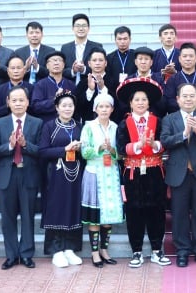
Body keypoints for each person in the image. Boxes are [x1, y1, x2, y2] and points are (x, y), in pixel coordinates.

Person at [116, 78, 172, 268]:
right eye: (137, 100)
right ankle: (137, 251)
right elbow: (120, 148)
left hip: (155, 172)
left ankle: (157, 250)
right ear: (130, 103)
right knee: (134, 212)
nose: (140, 103)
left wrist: (153, 144)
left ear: (149, 102)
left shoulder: (158, 121)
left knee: (156, 211)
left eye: (144, 99)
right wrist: (138, 146)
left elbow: (164, 142)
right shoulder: (124, 123)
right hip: (132, 174)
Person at [161, 83, 196, 268]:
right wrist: (184, 133)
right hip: (179, 173)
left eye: (192, 96)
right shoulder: (170, 119)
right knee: (179, 214)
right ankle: (182, 251)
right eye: (184, 96)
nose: (188, 99)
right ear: (178, 99)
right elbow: (165, 141)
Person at [0, 84, 44, 269]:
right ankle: (11, 255)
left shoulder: (37, 123)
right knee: (8, 218)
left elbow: (41, 151)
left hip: (28, 174)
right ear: (8, 102)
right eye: (14, 100)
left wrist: (26, 144)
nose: (18, 103)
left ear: (28, 102)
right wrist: (10, 146)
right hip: (7, 175)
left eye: (22, 100)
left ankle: (27, 254)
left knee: (28, 216)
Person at [38, 93, 85, 268]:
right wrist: (64, 149)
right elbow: (42, 152)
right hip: (55, 174)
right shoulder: (49, 126)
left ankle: (70, 248)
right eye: (63, 105)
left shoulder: (80, 126)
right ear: (57, 108)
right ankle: (56, 249)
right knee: (56, 209)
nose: (67, 108)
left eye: (70, 105)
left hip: (76, 173)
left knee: (73, 208)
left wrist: (81, 148)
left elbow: (86, 150)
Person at [80, 92, 124, 268]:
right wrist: (99, 148)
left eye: (107, 106)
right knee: (95, 217)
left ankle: (104, 250)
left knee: (108, 215)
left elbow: (121, 154)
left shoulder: (116, 127)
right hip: (94, 172)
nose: (104, 109)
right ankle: (94, 252)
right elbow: (84, 152)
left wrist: (112, 150)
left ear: (112, 109)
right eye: (101, 106)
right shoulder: (89, 127)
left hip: (111, 172)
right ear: (95, 108)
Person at [162, 43, 196, 115]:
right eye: (184, 56)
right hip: (178, 117)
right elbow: (169, 101)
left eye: (191, 56)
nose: (188, 59)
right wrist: (185, 103)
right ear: (180, 59)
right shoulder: (172, 79)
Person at [31, 51, 78, 123]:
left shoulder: (71, 85)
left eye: (59, 60)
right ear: (47, 66)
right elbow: (36, 107)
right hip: (46, 125)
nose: (56, 63)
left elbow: (76, 108)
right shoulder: (40, 84)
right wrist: (54, 100)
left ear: (63, 65)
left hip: (67, 125)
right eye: (53, 61)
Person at [75, 47, 119, 120]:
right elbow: (78, 106)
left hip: (111, 123)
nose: (97, 63)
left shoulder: (114, 82)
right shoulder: (83, 83)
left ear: (105, 63)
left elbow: (118, 105)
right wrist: (90, 90)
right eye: (94, 60)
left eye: (101, 60)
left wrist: (103, 89)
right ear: (89, 63)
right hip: (89, 124)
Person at [61, 13, 105, 87]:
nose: (81, 29)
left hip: (90, 86)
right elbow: (62, 70)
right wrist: (73, 71)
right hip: (70, 86)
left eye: (84, 26)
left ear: (88, 28)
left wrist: (84, 69)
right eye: (77, 26)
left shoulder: (97, 46)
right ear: (73, 28)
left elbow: (101, 68)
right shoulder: (65, 48)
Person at [0, 55, 33, 121]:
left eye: (19, 68)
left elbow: (35, 110)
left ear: (24, 70)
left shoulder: (31, 88)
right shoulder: (0, 89)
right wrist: (7, 105)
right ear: (8, 71)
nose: (16, 71)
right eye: (13, 68)